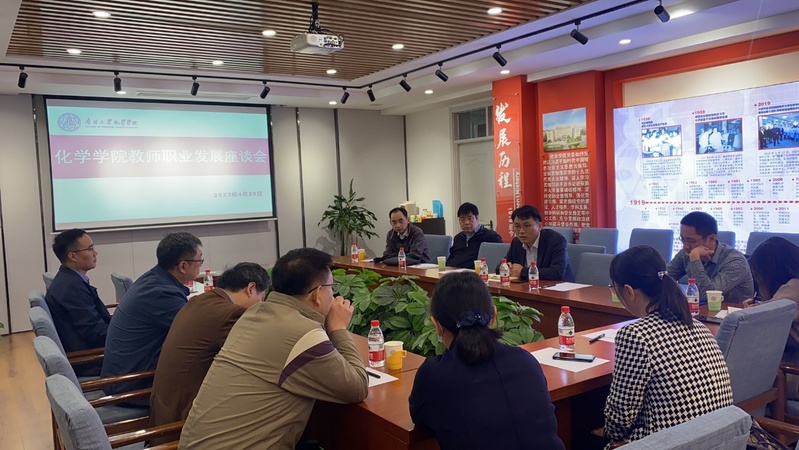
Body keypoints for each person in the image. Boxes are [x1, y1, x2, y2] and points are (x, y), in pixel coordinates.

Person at [179, 248, 368, 449]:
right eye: (331, 287)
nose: (334, 294)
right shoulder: (302, 332)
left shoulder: (253, 314)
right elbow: (356, 387)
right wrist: (338, 328)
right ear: (318, 294)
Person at [409, 271, 564, 450]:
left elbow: (421, 419)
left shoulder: (434, 374)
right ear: (493, 317)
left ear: (436, 324)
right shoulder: (525, 360)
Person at [605, 245, 733, 447]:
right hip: (717, 442)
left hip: (669, 444)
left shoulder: (635, 336)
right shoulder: (698, 326)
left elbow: (620, 420)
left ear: (628, 291)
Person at [147, 262, 269, 438]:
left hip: (164, 410)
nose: (260, 304)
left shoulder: (199, 301)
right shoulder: (231, 313)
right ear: (251, 289)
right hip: (185, 422)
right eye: (261, 298)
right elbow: (260, 356)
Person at [101, 232, 203, 401]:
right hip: (132, 386)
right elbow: (199, 333)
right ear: (183, 266)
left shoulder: (154, 279)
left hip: (124, 374)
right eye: (200, 261)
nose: (201, 265)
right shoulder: (161, 293)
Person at [44, 229, 110, 376]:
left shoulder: (69, 280)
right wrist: (129, 337)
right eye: (90, 249)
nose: (95, 253)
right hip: (92, 361)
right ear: (72, 256)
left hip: (92, 353)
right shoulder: (71, 287)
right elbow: (95, 332)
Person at [744, 237, 799, 398]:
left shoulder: (794, 288)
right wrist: (760, 304)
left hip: (793, 371)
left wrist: (752, 309)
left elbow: (764, 317)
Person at [666, 211, 753, 303]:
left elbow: (706, 295)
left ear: (711, 238)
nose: (685, 246)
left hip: (734, 311)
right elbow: (663, 277)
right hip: (699, 310)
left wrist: (695, 259)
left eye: (691, 241)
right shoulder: (687, 252)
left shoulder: (735, 261)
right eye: (682, 239)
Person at [499, 205, 573, 281]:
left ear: (539, 226)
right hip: (527, 286)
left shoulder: (555, 240)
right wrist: (507, 267)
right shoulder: (517, 242)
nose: (521, 231)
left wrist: (522, 271)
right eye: (517, 226)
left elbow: (557, 273)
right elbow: (499, 268)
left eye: (527, 226)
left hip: (558, 286)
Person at [446, 202, 503, 269]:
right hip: (455, 272)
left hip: (476, 273)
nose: (466, 222)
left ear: (477, 218)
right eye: (462, 219)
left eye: (470, 218)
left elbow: (501, 258)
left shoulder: (490, 236)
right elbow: (450, 259)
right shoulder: (458, 238)